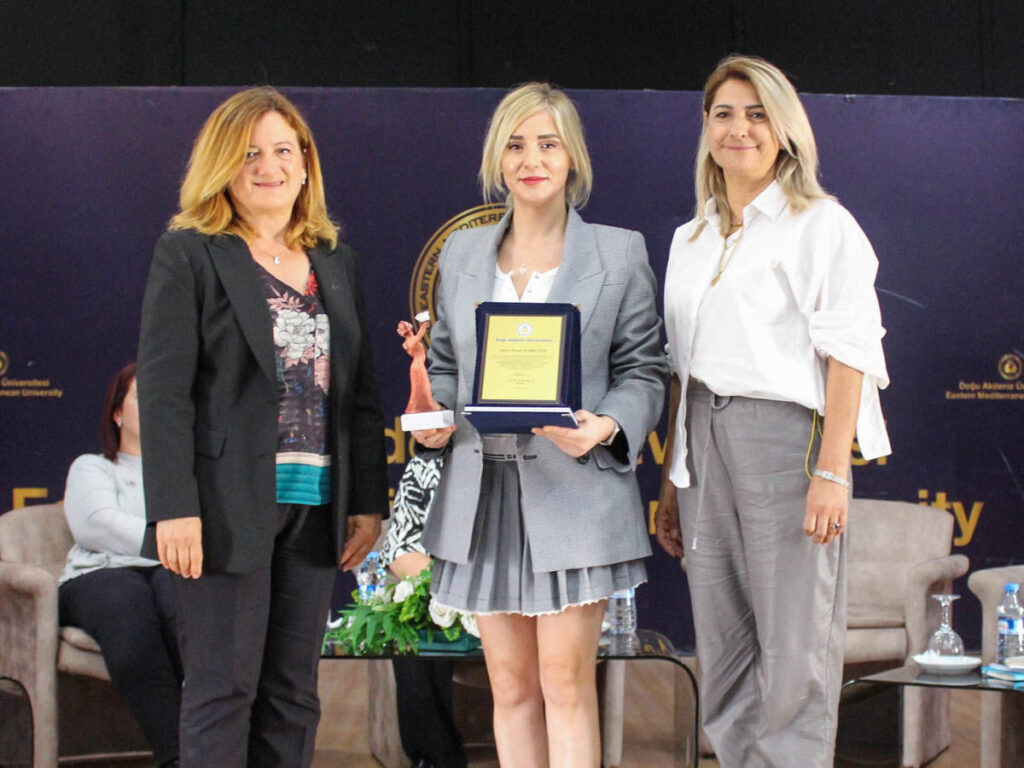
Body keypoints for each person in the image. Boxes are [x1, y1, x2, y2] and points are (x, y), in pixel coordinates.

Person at [413, 82, 667, 768]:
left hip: (574, 489)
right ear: (498, 160)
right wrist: (435, 417)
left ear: (572, 157)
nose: (532, 159)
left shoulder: (619, 252)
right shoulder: (462, 254)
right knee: (510, 684)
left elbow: (645, 369)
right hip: (482, 495)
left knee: (565, 683)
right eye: (516, 145)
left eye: (548, 144)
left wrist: (605, 425)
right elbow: (444, 366)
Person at [136, 87, 388, 768]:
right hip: (222, 506)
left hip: (316, 505)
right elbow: (163, 395)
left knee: (293, 695)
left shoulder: (335, 261)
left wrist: (367, 502)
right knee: (223, 691)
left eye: (283, 150)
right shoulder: (189, 254)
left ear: (305, 164)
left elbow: (360, 394)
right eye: (249, 154)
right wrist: (174, 507)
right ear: (223, 166)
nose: (268, 166)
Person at [656, 55, 891, 767]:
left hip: (785, 439)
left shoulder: (820, 224)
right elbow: (681, 367)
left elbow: (850, 352)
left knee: (795, 643)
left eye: (757, 114)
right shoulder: (691, 237)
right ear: (706, 127)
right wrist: (670, 479)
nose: (740, 129)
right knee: (722, 640)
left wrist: (833, 472)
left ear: (785, 128)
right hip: (700, 438)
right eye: (724, 113)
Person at [57, 362, 182, 768]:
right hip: (98, 577)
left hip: (168, 572)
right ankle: (179, 757)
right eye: (143, 396)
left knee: (176, 595)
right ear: (117, 412)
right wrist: (172, 543)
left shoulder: (186, 474)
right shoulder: (92, 467)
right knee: (128, 597)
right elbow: (97, 524)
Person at [381, 453, 467, 768]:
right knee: (410, 631)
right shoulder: (428, 465)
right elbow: (398, 548)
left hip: (523, 598)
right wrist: (456, 591)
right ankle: (435, 759)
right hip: (446, 593)